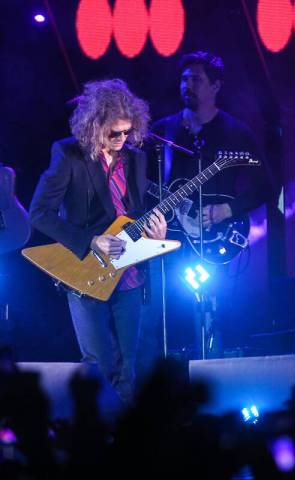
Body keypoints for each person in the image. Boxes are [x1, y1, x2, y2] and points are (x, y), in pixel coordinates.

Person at [29, 79, 167, 404]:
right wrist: (91, 240)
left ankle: (124, 441)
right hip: (85, 270)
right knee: (99, 366)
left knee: (129, 368)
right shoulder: (68, 154)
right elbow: (39, 213)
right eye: (114, 134)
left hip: (129, 273)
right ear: (94, 126)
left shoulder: (135, 157)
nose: (122, 140)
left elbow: (134, 213)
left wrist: (154, 234)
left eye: (127, 132)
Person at [148, 51, 271, 357]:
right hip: (171, 239)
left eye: (196, 79)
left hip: (218, 240)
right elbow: (145, 184)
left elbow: (266, 186)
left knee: (218, 315)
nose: (187, 85)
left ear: (216, 86)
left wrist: (227, 210)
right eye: (184, 79)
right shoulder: (163, 131)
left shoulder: (237, 132)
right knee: (168, 315)